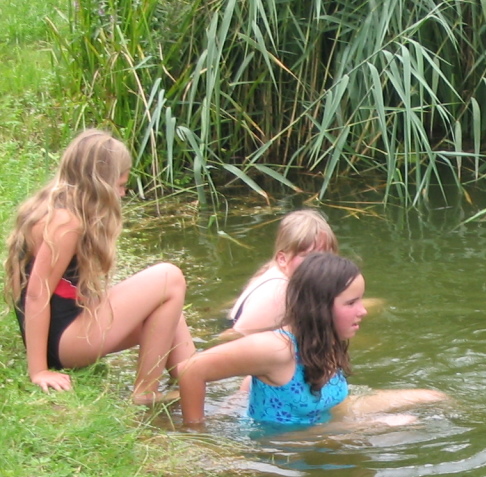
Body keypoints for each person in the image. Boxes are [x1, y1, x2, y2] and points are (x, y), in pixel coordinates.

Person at [4, 129, 194, 404]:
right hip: (63, 342)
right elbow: (36, 294)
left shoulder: (61, 205)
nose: (123, 192)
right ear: (99, 183)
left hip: (67, 331)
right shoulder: (66, 222)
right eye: (119, 185)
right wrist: (39, 370)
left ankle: (195, 382)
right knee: (169, 277)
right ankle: (145, 393)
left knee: (168, 310)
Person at [179, 251, 445, 427]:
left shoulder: (323, 341)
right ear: (319, 307)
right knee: (405, 423)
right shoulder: (276, 348)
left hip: (322, 422)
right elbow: (191, 369)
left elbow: (334, 407)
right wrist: (197, 436)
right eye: (351, 303)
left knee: (434, 396)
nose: (363, 311)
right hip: (277, 446)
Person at [225, 209, 338, 337]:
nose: (320, 263)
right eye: (308, 256)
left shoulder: (279, 272)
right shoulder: (279, 292)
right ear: (282, 259)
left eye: (326, 255)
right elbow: (232, 337)